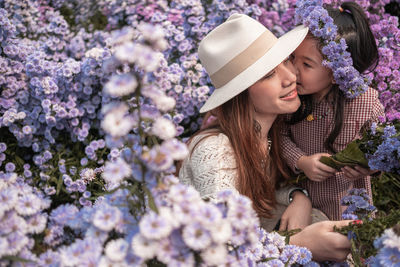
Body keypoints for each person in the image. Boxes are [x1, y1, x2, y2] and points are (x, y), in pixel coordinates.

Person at [178, 13, 351, 261]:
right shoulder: (214, 149)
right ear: (240, 94)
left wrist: (298, 196)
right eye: (269, 74)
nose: (291, 77)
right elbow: (219, 248)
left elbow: (265, 188)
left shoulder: (267, 134)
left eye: (286, 61)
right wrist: (298, 243)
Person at [281, 2, 385, 220]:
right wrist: (302, 162)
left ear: (338, 73)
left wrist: (370, 168)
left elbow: (381, 150)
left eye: (307, 65)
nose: (293, 70)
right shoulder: (293, 96)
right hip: (302, 205)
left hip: (349, 209)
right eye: (292, 58)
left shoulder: (364, 104)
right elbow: (279, 136)